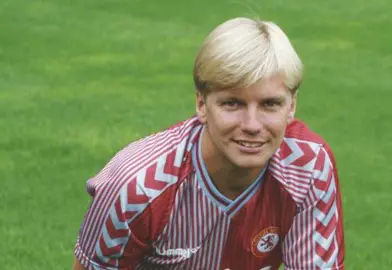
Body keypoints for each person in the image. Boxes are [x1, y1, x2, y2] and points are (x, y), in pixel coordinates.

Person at [73, 17, 345, 270]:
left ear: (291, 106)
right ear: (202, 104)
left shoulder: (309, 167)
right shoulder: (138, 186)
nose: (252, 125)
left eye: (270, 104)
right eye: (232, 103)